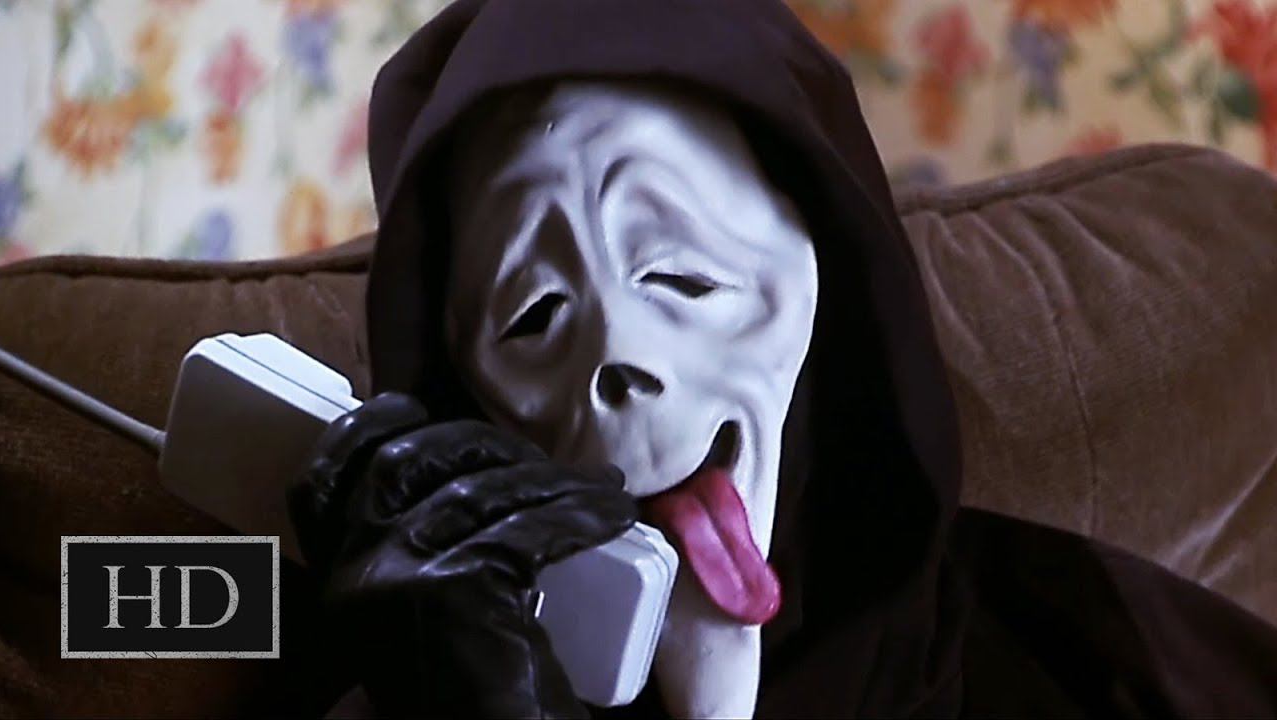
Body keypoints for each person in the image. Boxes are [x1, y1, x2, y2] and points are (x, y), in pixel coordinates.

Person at [288, 0, 1277, 717]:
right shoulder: (400, 681)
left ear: (830, 288)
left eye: (682, 279)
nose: (618, 357)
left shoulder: (1093, 652)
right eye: (534, 316)